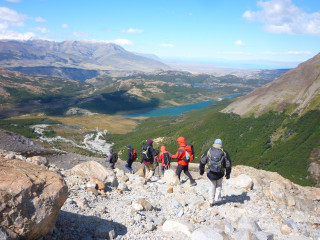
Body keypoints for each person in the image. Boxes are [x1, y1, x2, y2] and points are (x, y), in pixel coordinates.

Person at [199, 139, 232, 207]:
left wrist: (201, 171)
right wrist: (227, 174)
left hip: (210, 172)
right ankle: (217, 199)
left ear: (214, 144)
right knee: (219, 185)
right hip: (220, 173)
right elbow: (228, 164)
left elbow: (202, 161)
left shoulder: (209, 151)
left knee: (212, 186)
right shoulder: (224, 152)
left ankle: (211, 201)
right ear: (221, 144)